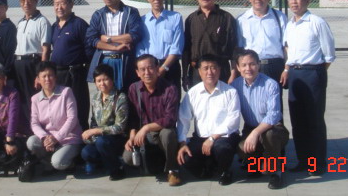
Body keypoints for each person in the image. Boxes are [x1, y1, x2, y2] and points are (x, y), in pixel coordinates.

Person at [281, 0, 335, 175]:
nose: (294, 2)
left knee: (314, 120)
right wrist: (287, 69)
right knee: (298, 121)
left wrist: (315, 72)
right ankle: (303, 160)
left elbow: (329, 55)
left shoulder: (317, 22)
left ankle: (317, 163)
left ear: (307, 0)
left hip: (313, 73)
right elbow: (288, 49)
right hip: (294, 75)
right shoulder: (289, 24)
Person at [177, 54, 241, 186]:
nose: (210, 72)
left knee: (222, 149)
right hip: (200, 138)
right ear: (199, 72)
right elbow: (183, 119)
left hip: (223, 137)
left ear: (219, 70)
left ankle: (225, 171)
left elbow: (233, 121)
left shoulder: (230, 92)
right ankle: (207, 169)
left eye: (213, 68)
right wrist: (182, 143)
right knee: (185, 157)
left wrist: (212, 138)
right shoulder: (193, 93)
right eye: (205, 68)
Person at [231, 50, 289, 189]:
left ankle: (276, 173)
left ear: (258, 65)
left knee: (269, 135)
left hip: (273, 128)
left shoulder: (270, 84)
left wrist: (256, 133)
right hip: (250, 127)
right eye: (244, 65)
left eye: (252, 64)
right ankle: (256, 165)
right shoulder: (235, 86)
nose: (248, 68)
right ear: (238, 67)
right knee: (240, 148)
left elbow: (274, 115)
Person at [122, 54, 181, 186]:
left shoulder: (170, 89)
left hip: (161, 131)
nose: (147, 72)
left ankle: (172, 170)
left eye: (150, 68)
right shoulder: (134, 89)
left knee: (168, 134)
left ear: (157, 68)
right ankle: (152, 162)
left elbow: (170, 119)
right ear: (137, 73)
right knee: (128, 158)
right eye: (142, 69)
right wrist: (132, 135)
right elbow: (132, 117)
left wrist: (146, 128)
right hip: (143, 134)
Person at [86, 0, 141, 92]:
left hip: (124, 61)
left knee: (126, 95)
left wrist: (108, 39)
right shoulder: (98, 15)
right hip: (105, 61)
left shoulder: (131, 12)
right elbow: (91, 39)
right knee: (106, 96)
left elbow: (134, 35)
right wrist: (115, 47)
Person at [27, 62, 82, 174]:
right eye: (44, 76)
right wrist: (44, 137)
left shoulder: (66, 92)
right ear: (38, 79)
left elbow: (72, 119)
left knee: (58, 163)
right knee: (31, 142)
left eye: (50, 75)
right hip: (48, 138)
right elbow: (34, 123)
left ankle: (70, 161)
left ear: (56, 77)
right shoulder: (35, 99)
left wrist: (56, 138)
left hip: (69, 138)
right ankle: (48, 162)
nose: (47, 79)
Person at [182, 0, 238, 89]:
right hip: (197, 72)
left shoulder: (226, 18)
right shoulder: (191, 19)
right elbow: (186, 49)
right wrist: (184, 75)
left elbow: (233, 48)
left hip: (220, 71)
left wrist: (233, 73)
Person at [50, 0, 91, 130]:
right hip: (58, 74)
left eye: (63, 3)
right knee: (61, 107)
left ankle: (81, 135)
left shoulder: (79, 24)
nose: (59, 7)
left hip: (75, 73)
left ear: (71, 4)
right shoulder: (54, 26)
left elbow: (89, 48)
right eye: (56, 4)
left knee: (78, 106)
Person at [81, 64, 127, 180]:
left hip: (116, 138)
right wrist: (89, 134)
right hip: (100, 139)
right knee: (86, 152)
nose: (102, 83)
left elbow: (120, 127)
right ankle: (105, 163)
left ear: (112, 79)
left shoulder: (120, 97)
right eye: (98, 81)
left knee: (102, 142)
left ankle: (116, 169)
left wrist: (96, 131)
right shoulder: (96, 97)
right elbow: (93, 121)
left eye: (105, 79)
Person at [236, 0, 287, 86]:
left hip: (274, 66)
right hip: (251, 66)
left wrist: (286, 69)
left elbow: (286, 46)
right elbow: (239, 48)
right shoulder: (241, 20)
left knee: (274, 95)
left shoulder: (280, 17)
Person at [136, 0, 184, 89]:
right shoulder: (142, 21)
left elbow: (176, 47)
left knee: (172, 97)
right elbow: (140, 48)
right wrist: (148, 68)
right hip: (149, 69)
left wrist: (163, 68)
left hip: (170, 67)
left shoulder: (175, 17)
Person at [14, 0, 51, 123]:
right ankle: (25, 128)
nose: (26, 3)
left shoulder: (42, 21)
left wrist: (40, 73)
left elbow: (45, 49)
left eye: (29, 0)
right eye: (22, 0)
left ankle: (36, 128)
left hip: (33, 63)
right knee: (21, 98)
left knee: (34, 98)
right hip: (18, 64)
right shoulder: (20, 22)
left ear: (36, 1)